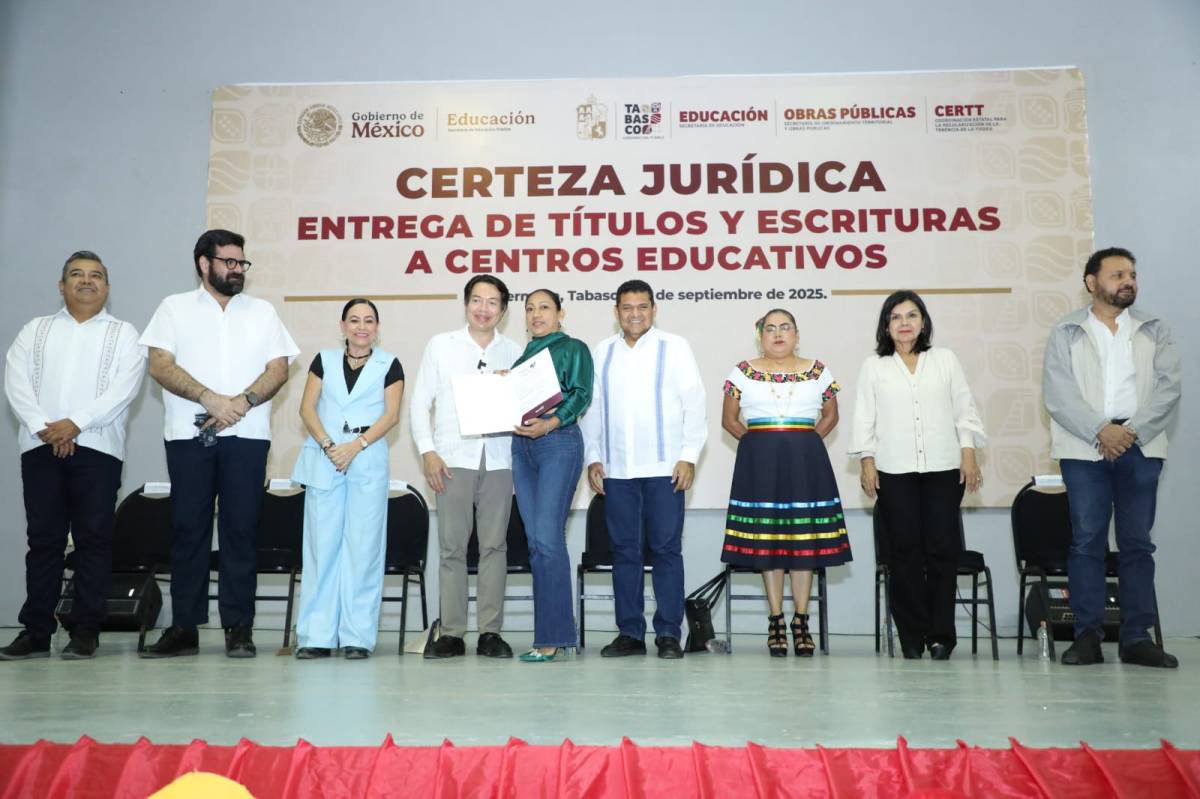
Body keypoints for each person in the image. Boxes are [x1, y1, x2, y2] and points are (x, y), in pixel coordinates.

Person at [139, 229, 299, 658]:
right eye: (229, 262)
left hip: (247, 436)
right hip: (189, 435)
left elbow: (279, 368)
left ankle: (239, 627)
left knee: (241, 530)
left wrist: (240, 403)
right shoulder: (173, 308)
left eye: (241, 262)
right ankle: (184, 628)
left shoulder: (262, 312)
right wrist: (209, 398)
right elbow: (160, 365)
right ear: (204, 264)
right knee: (187, 528)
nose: (237, 269)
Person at [0, 251, 145, 661]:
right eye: (77, 274)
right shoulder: (35, 330)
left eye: (96, 275)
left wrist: (75, 424)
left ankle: (85, 631)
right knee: (43, 541)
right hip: (40, 446)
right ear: (61, 286)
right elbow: (15, 383)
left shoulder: (124, 334)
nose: (86, 281)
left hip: (98, 449)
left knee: (93, 540)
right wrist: (47, 428)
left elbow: (123, 390)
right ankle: (36, 632)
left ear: (107, 287)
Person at [1043, 247, 1180, 668]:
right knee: (1087, 541)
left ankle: (1136, 638)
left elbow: (1169, 388)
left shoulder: (1154, 329)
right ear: (1091, 282)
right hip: (1084, 446)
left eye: (1132, 275)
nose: (1128, 281)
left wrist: (1130, 432)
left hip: (1141, 445)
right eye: (1118, 274)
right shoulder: (1067, 330)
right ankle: (1087, 636)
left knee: (1137, 543)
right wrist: (1100, 430)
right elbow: (1058, 393)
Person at [849, 290, 985, 661]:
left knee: (942, 551)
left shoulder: (944, 360)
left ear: (923, 322)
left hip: (944, 467)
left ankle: (941, 635)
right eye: (895, 317)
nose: (904, 323)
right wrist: (866, 461)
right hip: (894, 470)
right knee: (904, 552)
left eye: (911, 315)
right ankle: (911, 634)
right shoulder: (874, 367)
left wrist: (968, 453)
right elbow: (864, 416)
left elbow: (964, 409)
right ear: (886, 326)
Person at [580, 280, 707, 660]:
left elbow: (695, 404)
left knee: (666, 549)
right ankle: (630, 633)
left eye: (642, 307)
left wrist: (688, 456)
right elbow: (593, 409)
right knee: (624, 552)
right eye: (627, 307)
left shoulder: (675, 347)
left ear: (653, 309)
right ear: (616, 311)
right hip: (617, 470)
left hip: (666, 468)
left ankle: (668, 633)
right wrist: (593, 456)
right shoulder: (602, 351)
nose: (634, 314)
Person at [720, 309, 851, 656]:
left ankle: (801, 620)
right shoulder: (742, 371)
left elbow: (832, 415)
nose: (778, 334)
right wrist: (756, 445)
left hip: (806, 463)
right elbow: (729, 420)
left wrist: (806, 442)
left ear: (796, 334)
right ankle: (776, 619)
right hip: (759, 466)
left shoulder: (818, 370)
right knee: (770, 540)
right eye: (770, 329)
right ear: (760, 335)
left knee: (802, 542)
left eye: (785, 328)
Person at [410, 276, 521, 659]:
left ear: (503, 310)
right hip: (452, 459)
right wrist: (428, 451)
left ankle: (490, 632)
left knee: (494, 546)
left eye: (492, 302)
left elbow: (527, 407)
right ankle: (452, 633)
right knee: (452, 548)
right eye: (477, 300)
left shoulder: (515, 352)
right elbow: (419, 403)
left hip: (500, 459)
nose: (483, 309)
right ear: (466, 304)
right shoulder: (441, 345)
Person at [291, 298, 403, 660]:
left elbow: (391, 415)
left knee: (363, 550)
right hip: (325, 458)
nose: (361, 327)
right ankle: (316, 636)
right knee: (321, 549)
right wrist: (329, 445)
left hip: (366, 458)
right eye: (354, 320)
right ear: (342, 326)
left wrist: (355, 446)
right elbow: (307, 408)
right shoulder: (323, 360)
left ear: (377, 327)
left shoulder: (390, 364)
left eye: (369, 321)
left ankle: (357, 636)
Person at [511, 289, 593, 662]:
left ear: (561, 313)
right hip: (522, 447)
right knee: (537, 543)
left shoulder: (573, 348)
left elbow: (581, 394)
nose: (536, 314)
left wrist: (551, 423)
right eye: (530, 309)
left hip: (557, 442)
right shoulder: (522, 358)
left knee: (546, 539)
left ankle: (554, 638)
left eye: (544, 307)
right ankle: (552, 632)